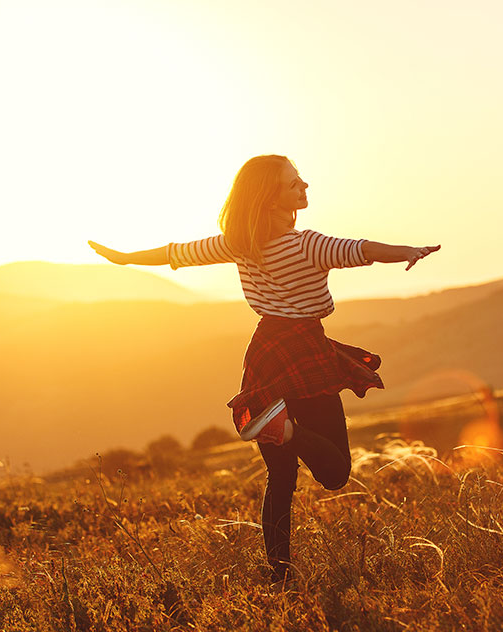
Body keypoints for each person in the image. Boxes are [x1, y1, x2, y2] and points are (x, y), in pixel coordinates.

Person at [88, 154, 440, 584]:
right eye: (294, 184)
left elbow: (176, 253)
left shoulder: (238, 242)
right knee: (335, 474)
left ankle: (280, 576)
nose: (305, 186)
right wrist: (407, 250)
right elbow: (359, 250)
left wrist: (126, 258)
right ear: (271, 198)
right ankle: (287, 431)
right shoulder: (306, 243)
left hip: (266, 352)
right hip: (305, 353)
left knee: (280, 477)